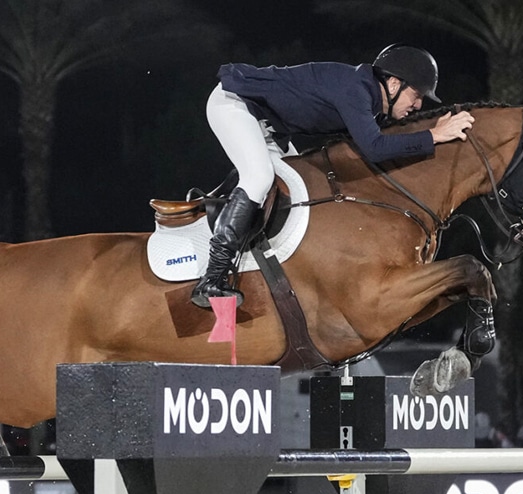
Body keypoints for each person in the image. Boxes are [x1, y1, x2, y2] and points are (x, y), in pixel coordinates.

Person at [192, 45, 477, 308]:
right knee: (259, 179)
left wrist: (433, 131)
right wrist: (434, 135)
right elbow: (376, 148)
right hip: (234, 104)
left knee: (297, 185)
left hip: (268, 128)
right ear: (393, 84)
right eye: (416, 95)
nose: (418, 106)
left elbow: (387, 139)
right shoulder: (355, 90)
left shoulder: (366, 95)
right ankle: (211, 279)